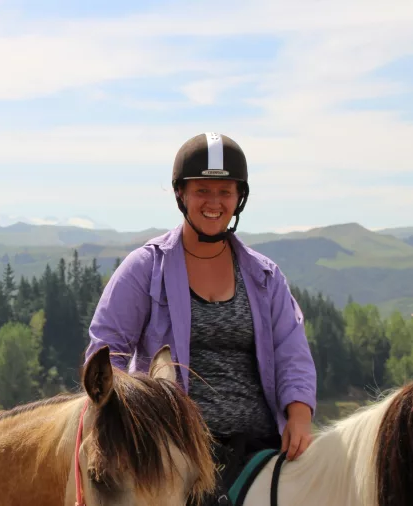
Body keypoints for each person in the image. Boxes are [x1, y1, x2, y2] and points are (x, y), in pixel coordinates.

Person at [84, 132, 316, 503]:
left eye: (225, 192)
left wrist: (300, 416)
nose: (214, 202)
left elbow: (292, 350)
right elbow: (106, 348)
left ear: (240, 197)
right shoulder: (145, 268)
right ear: (181, 194)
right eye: (202, 191)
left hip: (261, 449)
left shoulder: (264, 276)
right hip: (174, 453)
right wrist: (126, 422)